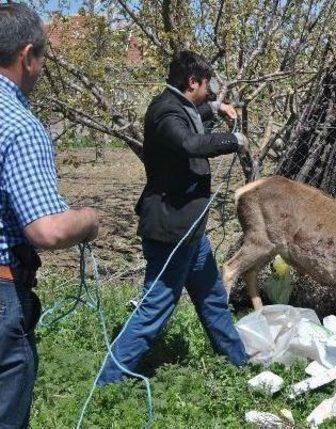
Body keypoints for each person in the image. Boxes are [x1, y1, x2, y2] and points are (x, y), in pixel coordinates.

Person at [97, 50, 249, 384]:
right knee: (156, 308)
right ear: (193, 81)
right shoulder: (165, 112)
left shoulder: (176, 104)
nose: (209, 93)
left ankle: (239, 363)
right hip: (171, 230)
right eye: (206, 87)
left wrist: (213, 108)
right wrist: (232, 140)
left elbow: (191, 114)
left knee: (211, 299)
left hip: (189, 231)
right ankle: (108, 382)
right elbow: (189, 141)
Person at [0, 4, 100, 427]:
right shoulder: (20, 126)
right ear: (27, 56)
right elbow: (48, 230)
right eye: (42, 58)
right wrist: (88, 219)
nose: (42, 69)